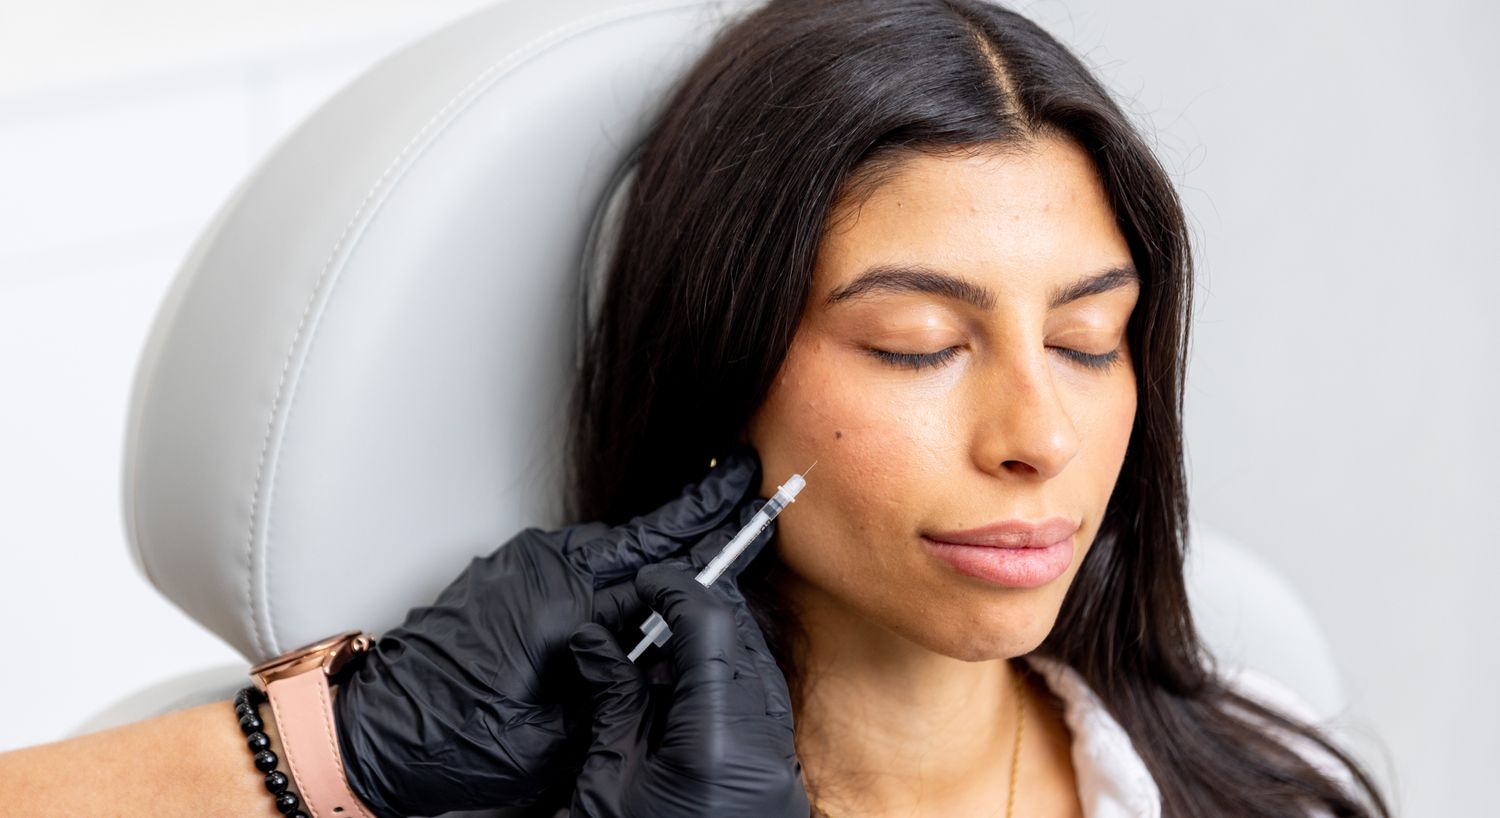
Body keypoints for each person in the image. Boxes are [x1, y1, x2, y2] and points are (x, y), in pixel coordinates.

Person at [0, 1, 1397, 816]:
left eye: (1090, 339)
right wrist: (337, 745)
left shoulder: (1260, 771)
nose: (1040, 435)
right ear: (723, 365)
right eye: (918, 345)